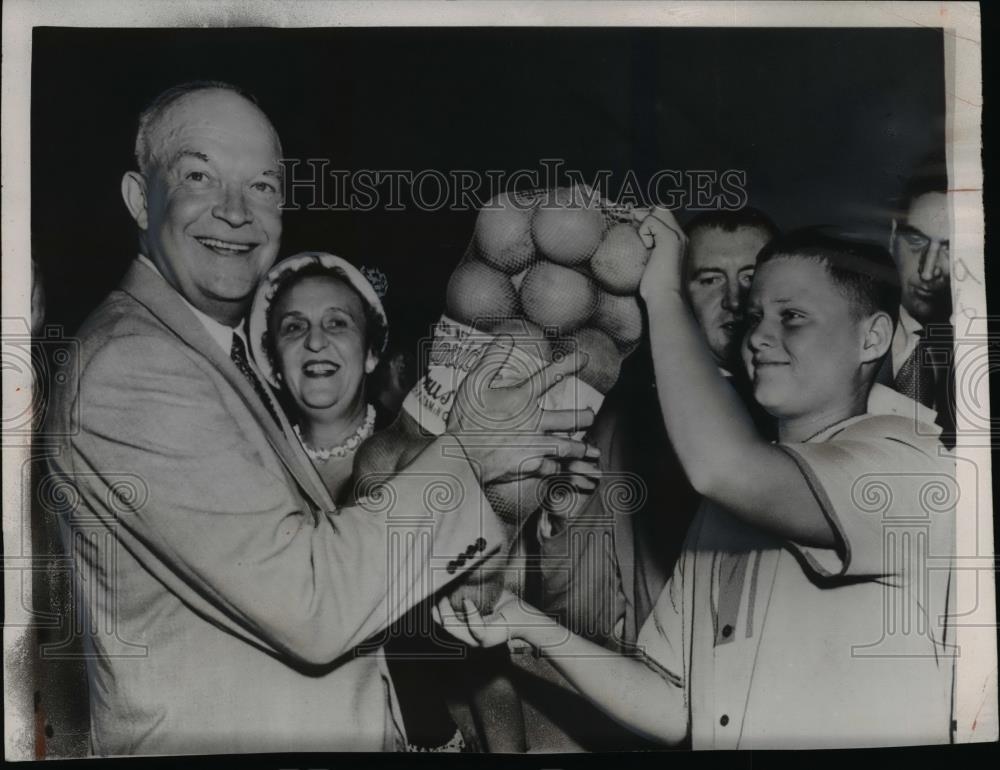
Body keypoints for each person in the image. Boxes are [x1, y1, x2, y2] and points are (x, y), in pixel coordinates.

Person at [42, 81, 596, 755]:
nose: (235, 212)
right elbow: (309, 603)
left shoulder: (208, 351)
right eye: (198, 175)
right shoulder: (135, 365)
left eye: (263, 186)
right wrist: (469, 454)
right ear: (138, 198)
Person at [439, 213, 956, 749]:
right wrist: (525, 623)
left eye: (793, 316)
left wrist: (664, 294)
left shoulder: (910, 469)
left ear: (872, 337)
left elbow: (723, 469)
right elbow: (673, 704)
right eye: (757, 317)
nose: (757, 336)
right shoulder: (729, 507)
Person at [522, 208, 778, 751]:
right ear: (675, 292)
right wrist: (567, 521)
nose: (733, 301)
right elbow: (581, 619)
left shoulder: (811, 417)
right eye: (709, 280)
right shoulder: (622, 426)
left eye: (752, 279)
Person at [884, 155, 955, 447]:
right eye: (916, 242)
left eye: (951, 249)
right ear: (892, 237)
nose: (928, 271)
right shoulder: (843, 329)